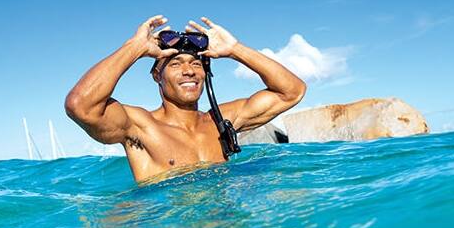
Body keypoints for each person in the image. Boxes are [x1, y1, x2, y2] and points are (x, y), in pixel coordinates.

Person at [65, 15, 306, 182]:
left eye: (195, 64)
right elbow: (80, 105)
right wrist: (135, 48)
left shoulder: (221, 120)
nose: (189, 71)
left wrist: (235, 49)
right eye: (176, 64)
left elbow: (292, 91)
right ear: (156, 75)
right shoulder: (139, 125)